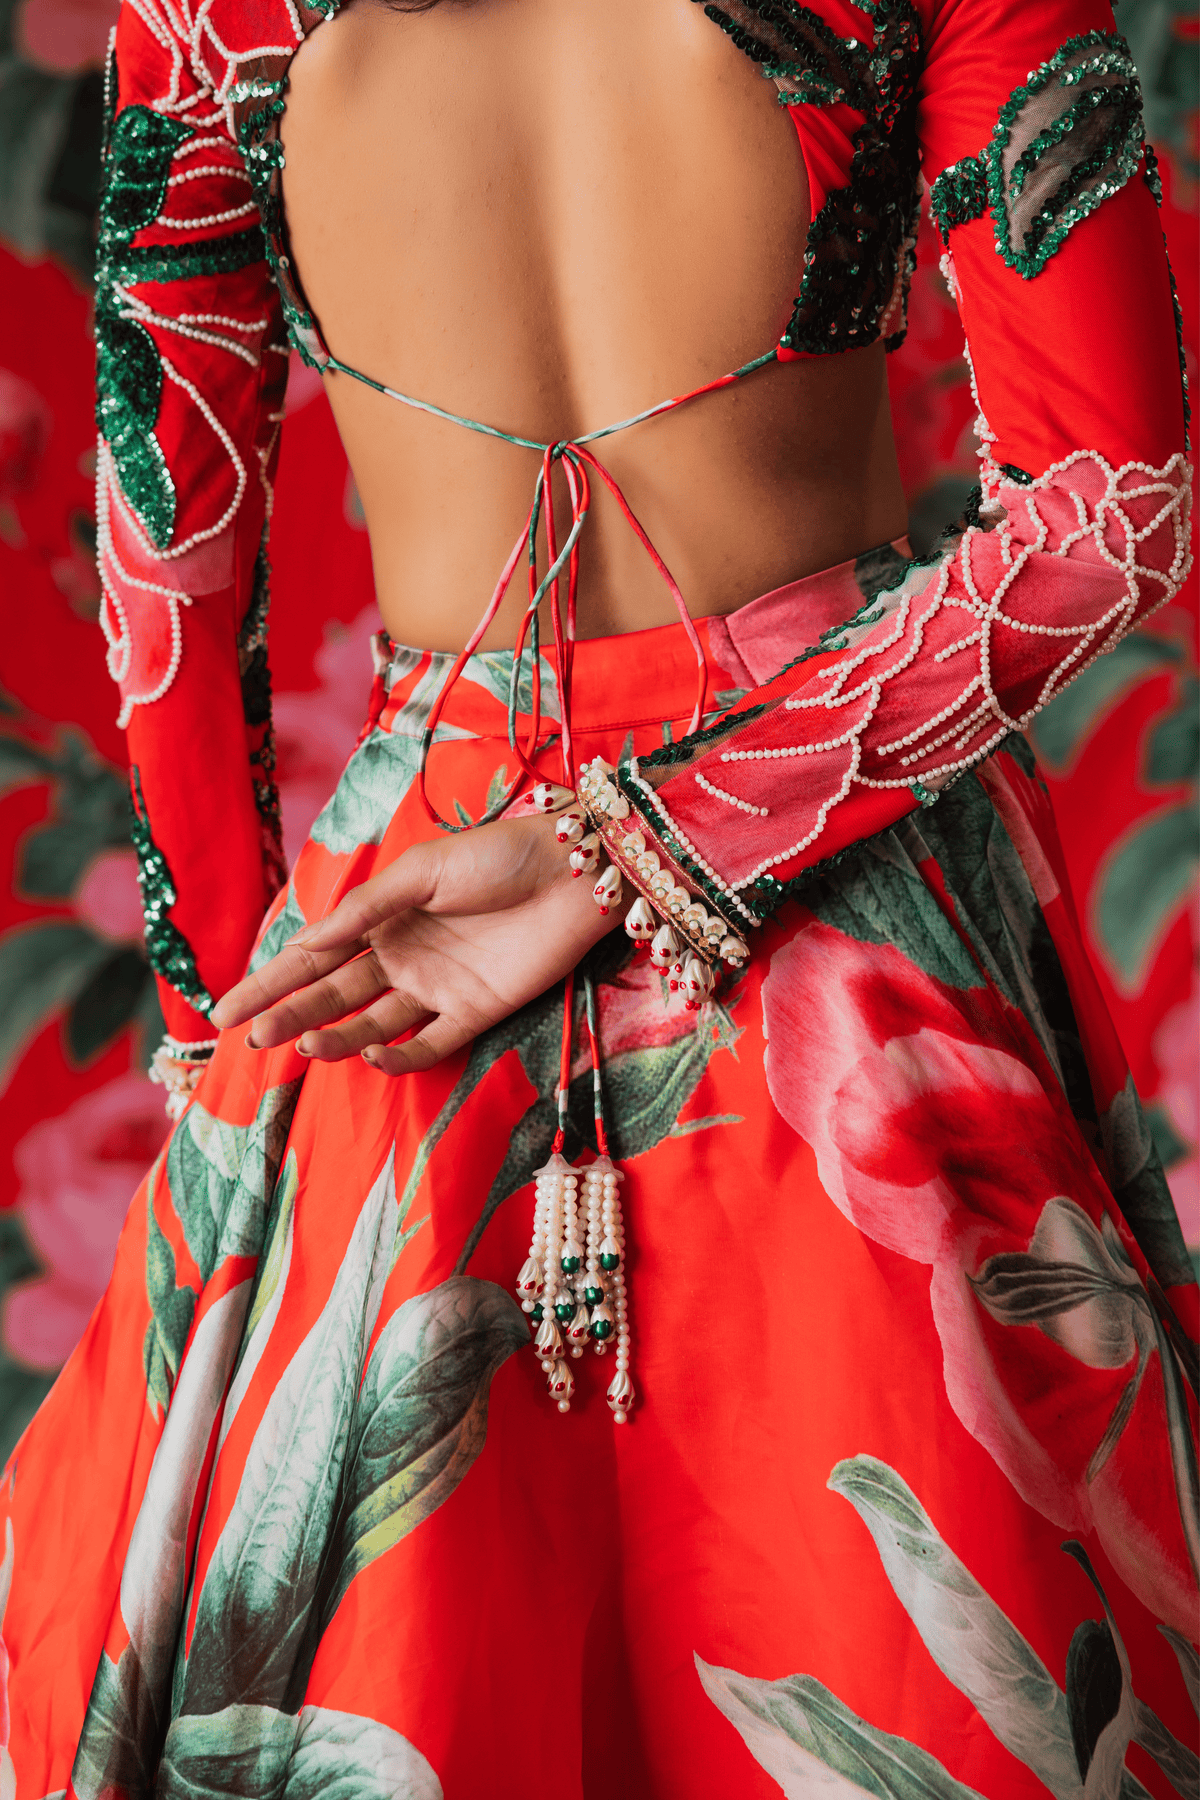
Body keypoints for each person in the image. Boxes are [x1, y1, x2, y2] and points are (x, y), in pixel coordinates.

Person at [2, 0, 1196, 1793]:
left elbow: (173, 563)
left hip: (389, 949)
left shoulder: (213, 19)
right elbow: (1115, 503)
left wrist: (229, 1052)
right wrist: (668, 833)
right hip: (845, 903)